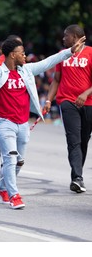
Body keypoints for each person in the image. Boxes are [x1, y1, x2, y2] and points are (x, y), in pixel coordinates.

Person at [0, 36, 85, 209]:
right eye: (22, 53)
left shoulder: (26, 70)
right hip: (3, 122)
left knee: (19, 161)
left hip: (22, 123)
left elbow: (48, 62)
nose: (25, 56)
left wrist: (69, 52)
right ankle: (14, 195)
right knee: (10, 159)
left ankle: (1, 187)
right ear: (13, 55)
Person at [44, 24, 92, 193]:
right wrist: (49, 100)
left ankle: (76, 176)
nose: (63, 39)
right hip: (67, 101)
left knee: (84, 141)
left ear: (75, 36)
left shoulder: (90, 53)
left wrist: (86, 94)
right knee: (74, 140)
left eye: (66, 36)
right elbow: (56, 80)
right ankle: (78, 178)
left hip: (88, 103)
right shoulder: (62, 55)